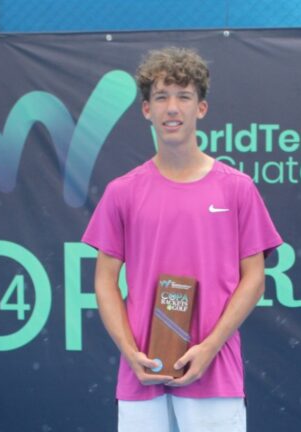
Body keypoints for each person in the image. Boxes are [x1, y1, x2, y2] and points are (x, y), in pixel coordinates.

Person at [82, 46, 282, 432]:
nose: (172, 108)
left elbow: (254, 279)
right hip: (143, 376)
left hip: (216, 372)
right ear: (146, 110)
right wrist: (130, 352)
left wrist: (208, 348)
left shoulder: (237, 189)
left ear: (201, 109)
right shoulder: (122, 192)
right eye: (161, 97)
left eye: (183, 97)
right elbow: (104, 280)